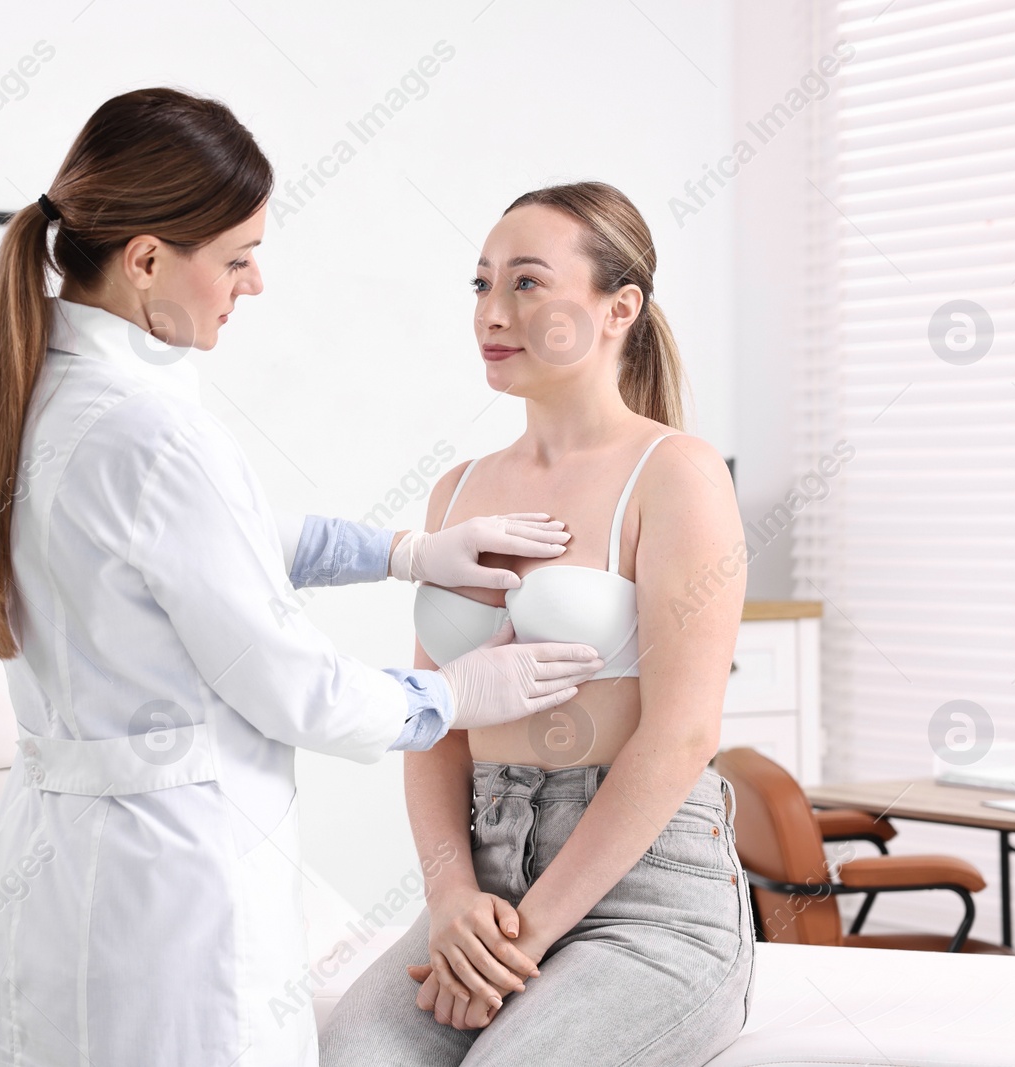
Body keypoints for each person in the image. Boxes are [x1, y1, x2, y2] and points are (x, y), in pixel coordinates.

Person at [0, 88, 606, 1067]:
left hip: (60, 870)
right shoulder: (154, 434)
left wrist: (404, 553)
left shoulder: (49, 390)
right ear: (145, 262)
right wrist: (454, 695)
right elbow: (300, 691)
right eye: (237, 257)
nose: (252, 284)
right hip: (168, 896)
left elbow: (199, 550)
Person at [319, 182, 755, 1066]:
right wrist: (449, 898)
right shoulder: (460, 487)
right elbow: (435, 722)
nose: (492, 311)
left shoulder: (677, 473)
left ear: (617, 308)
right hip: (486, 873)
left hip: (647, 896)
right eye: (480, 285)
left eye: (525, 283)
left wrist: (525, 939)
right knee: (355, 1053)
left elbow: (681, 736)